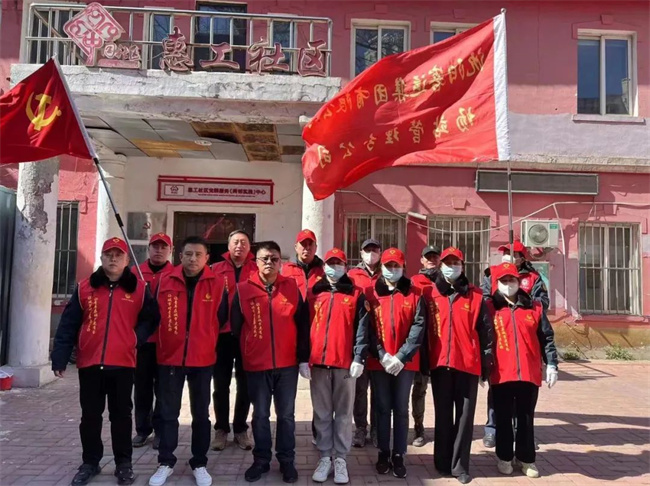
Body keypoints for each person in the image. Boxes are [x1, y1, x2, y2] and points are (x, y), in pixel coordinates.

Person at [51, 237, 160, 486]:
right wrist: (59, 357)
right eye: (108, 254)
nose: (113, 259)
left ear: (127, 260)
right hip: (90, 362)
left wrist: (135, 338)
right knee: (90, 416)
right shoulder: (85, 288)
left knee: (121, 416)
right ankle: (90, 462)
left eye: (118, 255)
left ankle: (123, 463)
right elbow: (68, 324)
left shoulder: (138, 289)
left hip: (123, 363)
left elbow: (152, 319)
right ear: (101, 258)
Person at [148, 236, 228, 486]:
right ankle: (165, 462)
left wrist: (204, 338)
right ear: (180, 256)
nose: (193, 259)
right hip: (170, 357)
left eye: (198, 254)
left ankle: (199, 462)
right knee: (168, 413)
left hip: (202, 359)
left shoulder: (218, 284)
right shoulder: (164, 281)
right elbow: (153, 316)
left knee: (201, 414)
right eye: (188, 254)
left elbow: (222, 317)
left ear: (207, 258)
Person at [231, 241, 310, 484]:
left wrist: (303, 358)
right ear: (256, 262)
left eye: (274, 258)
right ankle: (261, 460)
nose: (269, 263)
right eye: (264, 258)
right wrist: (248, 353)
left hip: (287, 364)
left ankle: (287, 460)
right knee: (260, 415)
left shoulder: (291, 287)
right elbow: (236, 327)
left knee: (286, 415)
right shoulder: (243, 290)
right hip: (257, 365)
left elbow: (302, 324)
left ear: (280, 262)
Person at [427, 247, 493, 484]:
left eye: (456, 263)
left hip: (467, 365)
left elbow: (486, 333)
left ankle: (460, 466)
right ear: (441, 265)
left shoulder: (476, 296)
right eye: (448, 263)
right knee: (443, 416)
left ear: (462, 267)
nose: (452, 267)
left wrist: (486, 366)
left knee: (464, 419)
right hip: (440, 364)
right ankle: (442, 462)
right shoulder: (431, 294)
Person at [487, 262, 558, 478]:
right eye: (504, 280)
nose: (508, 284)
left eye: (512, 280)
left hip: (528, 372)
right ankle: (504, 456)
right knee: (503, 417)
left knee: (526, 418)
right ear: (497, 283)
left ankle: (526, 459)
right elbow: (483, 339)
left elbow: (546, 337)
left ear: (519, 282)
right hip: (501, 373)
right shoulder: (490, 308)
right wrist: (483, 367)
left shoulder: (534, 308)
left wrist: (552, 363)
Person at [308, 248, 369, 484]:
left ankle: (341, 459)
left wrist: (358, 358)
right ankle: (325, 456)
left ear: (345, 266)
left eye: (339, 263)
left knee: (343, 414)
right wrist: (304, 358)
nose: (334, 267)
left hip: (345, 364)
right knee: (322, 413)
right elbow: (305, 326)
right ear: (324, 267)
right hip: (319, 364)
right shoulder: (315, 292)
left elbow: (362, 329)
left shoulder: (356, 294)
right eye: (330, 263)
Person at [481, 239, 549, 448]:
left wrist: (521, 301)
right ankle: (493, 429)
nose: (507, 257)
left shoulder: (533, 278)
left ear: (521, 258)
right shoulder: (492, 275)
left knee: (524, 397)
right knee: (497, 390)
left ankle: (522, 436)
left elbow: (542, 303)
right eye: (504, 253)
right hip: (500, 334)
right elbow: (484, 299)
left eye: (512, 254)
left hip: (524, 332)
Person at [366, 248, 425, 479]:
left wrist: (401, 356)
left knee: (401, 408)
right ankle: (383, 452)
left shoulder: (415, 294)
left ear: (403, 268)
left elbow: (418, 328)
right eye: (388, 266)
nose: (392, 270)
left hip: (405, 363)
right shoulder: (371, 293)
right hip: (379, 361)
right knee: (382, 407)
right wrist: (381, 354)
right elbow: (367, 328)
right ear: (381, 268)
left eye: (396, 266)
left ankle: (399, 453)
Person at [210, 230, 257, 451]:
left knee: (245, 384)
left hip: (247, 334)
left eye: (244, 242)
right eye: (236, 242)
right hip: (221, 335)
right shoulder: (214, 269)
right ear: (228, 246)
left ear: (250, 247)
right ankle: (221, 429)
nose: (239, 245)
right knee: (220, 384)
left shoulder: (256, 269)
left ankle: (240, 429)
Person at [132, 233, 173, 450]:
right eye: (155, 247)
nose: (159, 250)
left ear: (170, 251)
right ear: (148, 249)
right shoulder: (135, 273)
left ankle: (160, 430)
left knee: (164, 390)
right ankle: (142, 429)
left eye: (163, 247)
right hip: (143, 341)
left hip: (166, 342)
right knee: (142, 388)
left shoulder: (176, 275)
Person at [348, 238, 382, 448]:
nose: (371, 254)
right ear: (361, 253)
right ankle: (361, 428)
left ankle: (377, 429)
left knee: (378, 390)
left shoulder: (387, 273)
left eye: (375, 250)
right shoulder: (352, 275)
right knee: (359, 390)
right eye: (367, 250)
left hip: (381, 339)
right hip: (360, 339)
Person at [408, 245, 440, 447]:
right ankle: (418, 427)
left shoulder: (445, 282)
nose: (431, 260)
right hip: (421, 344)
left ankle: (444, 427)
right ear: (421, 260)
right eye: (428, 257)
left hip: (440, 343)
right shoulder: (414, 281)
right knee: (419, 388)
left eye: (435, 257)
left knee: (442, 390)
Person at [281, 229, 325, 299]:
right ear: (296, 247)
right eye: (303, 244)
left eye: (310, 244)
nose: (307, 247)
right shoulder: (285, 269)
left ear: (316, 247)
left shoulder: (324, 271)